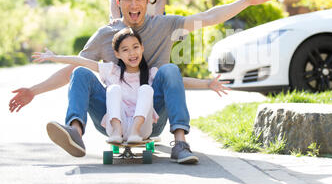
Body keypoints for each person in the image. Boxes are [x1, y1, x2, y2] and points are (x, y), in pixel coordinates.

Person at [9, 0, 279, 164]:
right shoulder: (105, 34)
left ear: (148, 1)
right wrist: (34, 91)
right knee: (81, 72)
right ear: (118, 3)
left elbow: (207, 17)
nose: (134, 4)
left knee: (169, 70)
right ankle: (75, 135)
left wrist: (245, 1)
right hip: (112, 116)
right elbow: (72, 69)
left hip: (151, 114)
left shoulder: (164, 25)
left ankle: (180, 142)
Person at [32, 28, 229, 148]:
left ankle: (139, 132)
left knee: (146, 90)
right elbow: (81, 61)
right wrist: (54, 57)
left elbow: (177, 82)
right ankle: (75, 131)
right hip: (113, 126)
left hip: (142, 128)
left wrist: (207, 84)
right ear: (117, 54)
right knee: (96, 81)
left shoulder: (151, 74)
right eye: (125, 50)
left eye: (135, 47)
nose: (132, 53)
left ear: (142, 48)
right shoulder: (112, 71)